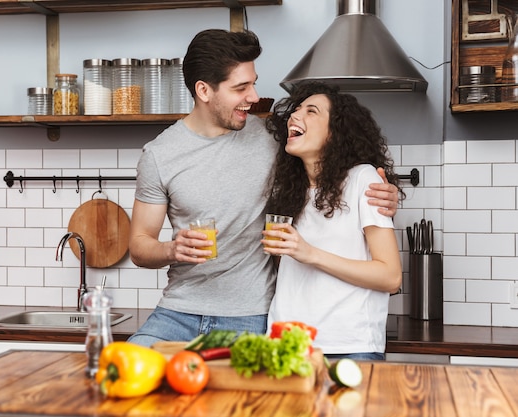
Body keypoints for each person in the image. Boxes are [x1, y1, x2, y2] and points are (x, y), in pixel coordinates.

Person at [127, 29, 399, 347]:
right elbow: (139, 246)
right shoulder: (159, 155)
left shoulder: (273, 138)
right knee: (121, 376)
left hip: (250, 315)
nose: (254, 96)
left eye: (253, 83)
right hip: (176, 312)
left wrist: (383, 194)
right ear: (203, 90)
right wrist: (171, 249)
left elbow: (333, 159)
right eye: (241, 87)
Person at [263, 82, 404, 361]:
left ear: (336, 133)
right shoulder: (290, 192)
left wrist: (309, 253)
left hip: (349, 345)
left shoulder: (364, 180)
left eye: (311, 111)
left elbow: (390, 277)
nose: (295, 116)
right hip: (288, 345)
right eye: (296, 110)